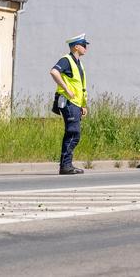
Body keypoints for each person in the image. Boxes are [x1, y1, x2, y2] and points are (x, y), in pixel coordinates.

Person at [50, 34, 89, 175]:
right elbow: (54, 72)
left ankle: (66, 164)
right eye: (84, 45)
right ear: (76, 46)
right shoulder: (66, 60)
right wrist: (66, 90)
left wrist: (83, 105)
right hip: (68, 102)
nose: (86, 48)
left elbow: (79, 86)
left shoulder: (78, 63)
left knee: (73, 133)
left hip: (76, 104)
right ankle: (65, 165)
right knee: (73, 133)